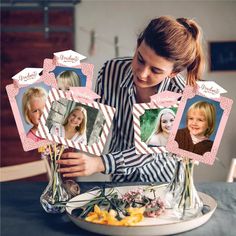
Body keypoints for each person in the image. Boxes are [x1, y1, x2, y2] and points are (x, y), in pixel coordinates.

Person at [57, 16, 205, 182]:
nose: (142, 73)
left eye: (155, 70)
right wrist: (58, 121)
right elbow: (97, 121)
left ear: (173, 73)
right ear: (137, 45)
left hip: (163, 182)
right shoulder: (111, 71)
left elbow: (150, 150)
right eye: (140, 59)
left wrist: (100, 163)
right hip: (120, 179)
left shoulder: (180, 93)